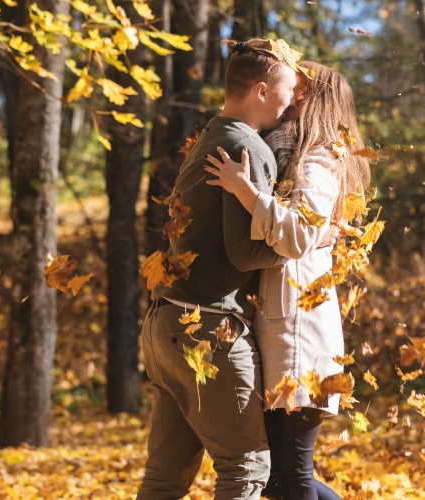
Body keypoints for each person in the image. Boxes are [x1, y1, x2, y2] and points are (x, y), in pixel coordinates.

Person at [136, 38, 309, 500]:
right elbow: (245, 253)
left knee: (165, 477)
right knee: (247, 468)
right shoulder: (246, 146)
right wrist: (302, 247)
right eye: (288, 89)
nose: (292, 99)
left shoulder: (211, 135)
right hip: (208, 328)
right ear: (260, 90)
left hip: (164, 324)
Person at [205, 62, 371, 499]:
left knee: (288, 475)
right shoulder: (292, 157)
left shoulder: (318, 160)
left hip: (298, 334)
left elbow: (298, 233)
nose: (290, 96)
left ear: (314, 101)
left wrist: (245, 190)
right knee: (287, 472)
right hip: (285, 330)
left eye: (299, 91)